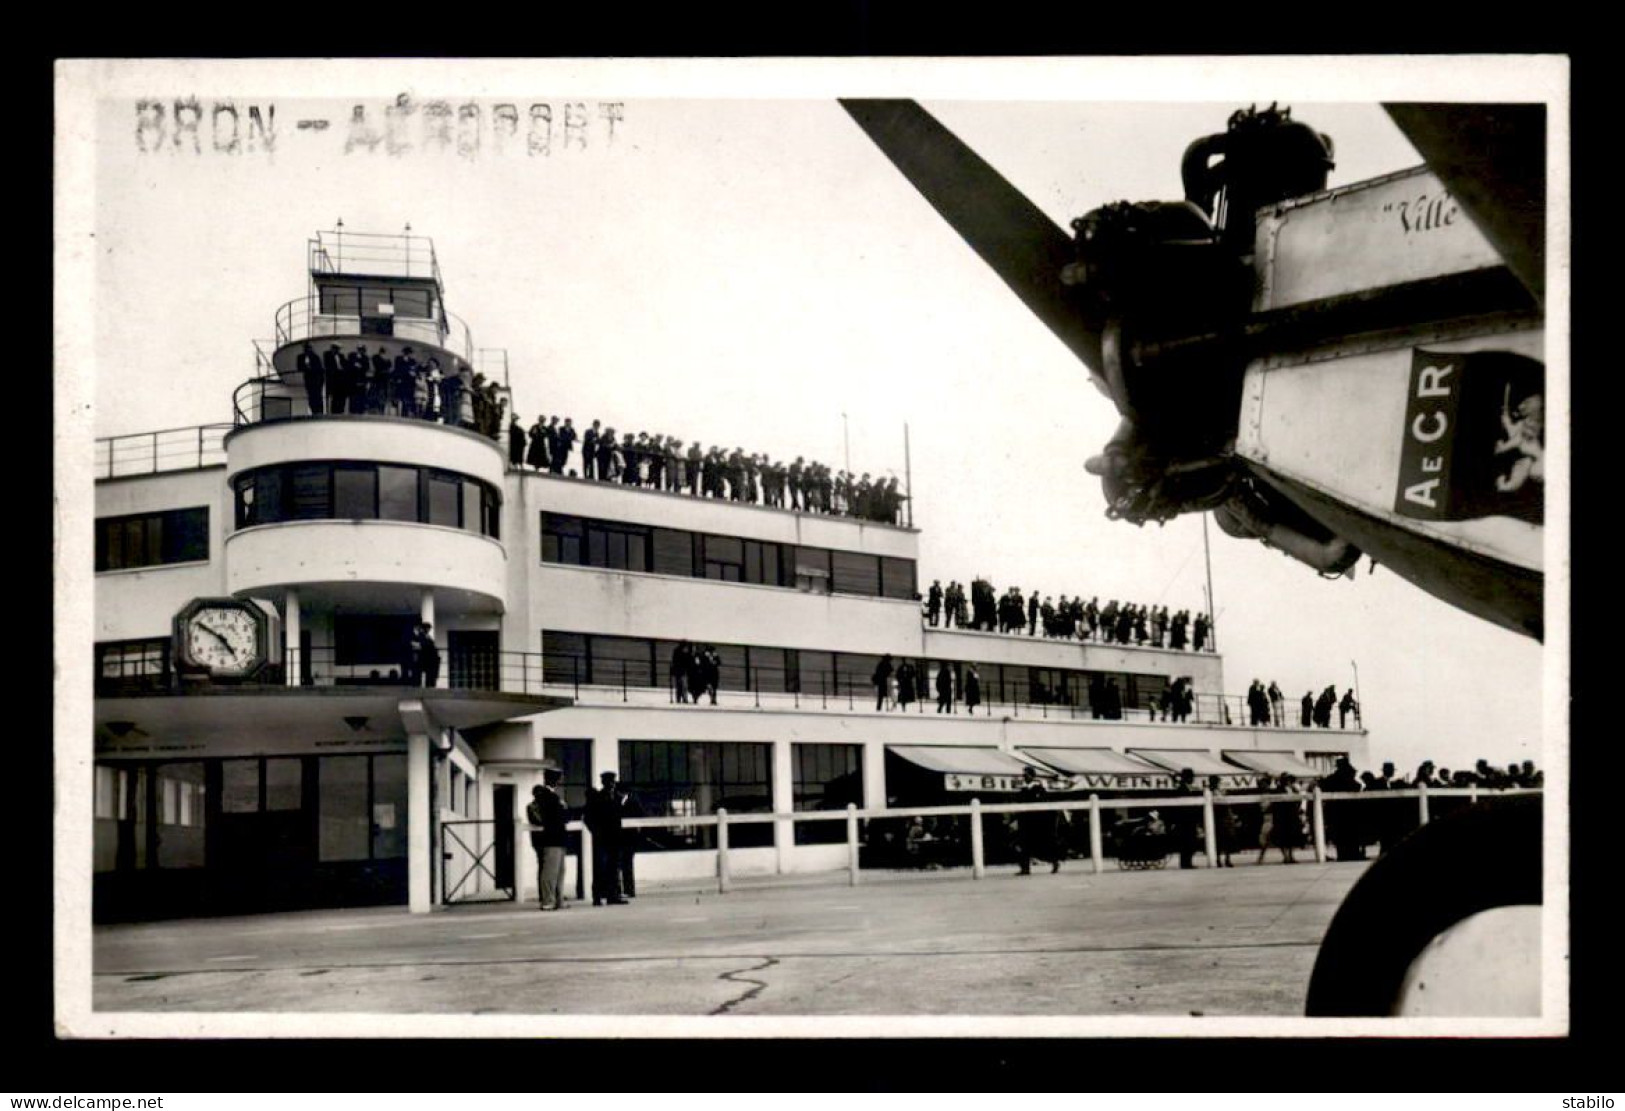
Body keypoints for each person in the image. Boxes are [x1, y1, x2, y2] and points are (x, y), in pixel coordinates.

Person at [584, 771, 627, 905]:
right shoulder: (596, 798)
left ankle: (612, 895)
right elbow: (588, 818)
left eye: (613, 782)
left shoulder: (618, 798)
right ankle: (597, 897)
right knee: (599, 868)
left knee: (614, 867)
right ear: (604, 783)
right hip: (601, 838)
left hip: (615, 838)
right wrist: (595, 832)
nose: (612, 784)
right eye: (609, 782)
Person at [527, 770, 569, 910]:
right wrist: (564, 809)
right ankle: (549, 900)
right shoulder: (550, 797)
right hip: (553, 838)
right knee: (552, 872)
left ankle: (555, 900)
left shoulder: (546, 796)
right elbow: (561, 816)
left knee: (556, 871)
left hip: (554, 838)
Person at [1015, 766, 1061, 874]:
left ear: (1032, 776)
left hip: (1038, 822)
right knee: (1024, 844)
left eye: (1026, 775)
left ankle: (1055, 862)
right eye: (1024, 775)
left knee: (1043, 844)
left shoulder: (1039, 789)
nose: (1025, 777)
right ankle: (1025, 868)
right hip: (1025, 822)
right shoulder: (1022, 790)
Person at [615, 780, 644, 898]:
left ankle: (629, 890)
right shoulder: (617, 802)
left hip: (629, 838)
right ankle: (619, 889)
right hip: (619, 838)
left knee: (627, 865)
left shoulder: (633, 802)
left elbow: (640, 816)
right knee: (619, 864)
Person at [1172, 768, 1202, 869]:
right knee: (1187, 841)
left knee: (1190, 841)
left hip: (1189, 820)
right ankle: (1185, 862)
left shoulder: (1187, 788)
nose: (1192, 779)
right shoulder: (1181, 789)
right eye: (1191, 777)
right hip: (1184, 821)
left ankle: (1186, 862)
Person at [297, 342, 325, 416]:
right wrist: (307, 367)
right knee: (311, 396)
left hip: (316, 380)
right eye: (306, 348)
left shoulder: (315, 357)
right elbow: (299, 367)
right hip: (309, 380)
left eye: (309, 347)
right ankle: (313, 411)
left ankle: (319, 412)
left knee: (318, 396)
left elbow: (319, 368)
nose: (308, 349)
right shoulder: (300, 357)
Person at [411, 622, 440, 689]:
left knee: (430, 675)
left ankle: (429, 685)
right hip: (425, 658)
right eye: (427, 628)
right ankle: (424, 686)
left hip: (429, 658)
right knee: (423, 674)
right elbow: (420, 645)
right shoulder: (421, 636)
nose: (428, 630)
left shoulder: (427, 637)